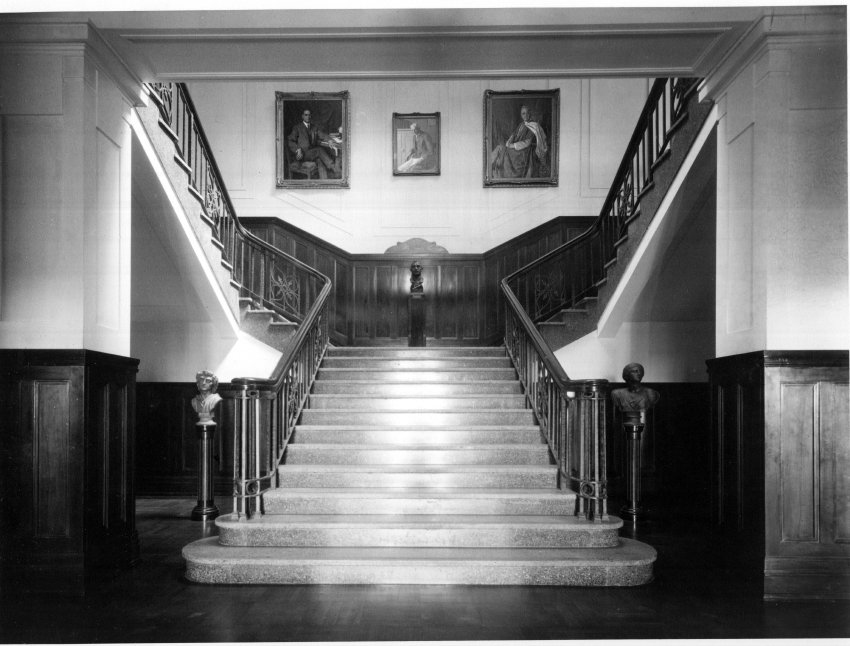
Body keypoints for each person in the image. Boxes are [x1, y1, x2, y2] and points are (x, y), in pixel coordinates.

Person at [490, 104, 549, 179]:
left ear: (530, 114)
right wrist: (508, 142)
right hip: (516, 149)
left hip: (523, 151)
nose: (525, 115)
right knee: (500, 147)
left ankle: (493, 166)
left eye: (527, 113)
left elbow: (527, 143)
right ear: (521, 115)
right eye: (523, 113)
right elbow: (513, 135)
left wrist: (512, 145)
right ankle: (491, 166)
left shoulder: (534, 126)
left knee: (501, 149)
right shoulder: (521, 124)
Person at [287, 109, 336, 179]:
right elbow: (290, 140)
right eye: (306, 115)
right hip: (301, 155)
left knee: (320, 160)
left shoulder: (314, 127)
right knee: (319, 150)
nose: (308, 117)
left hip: (311, 154)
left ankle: (324, 181)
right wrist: (297, 149)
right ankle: (333, 167)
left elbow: (322, 135)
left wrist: (329, 140)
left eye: (309, 115)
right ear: (302, 116)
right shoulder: (297, 128)